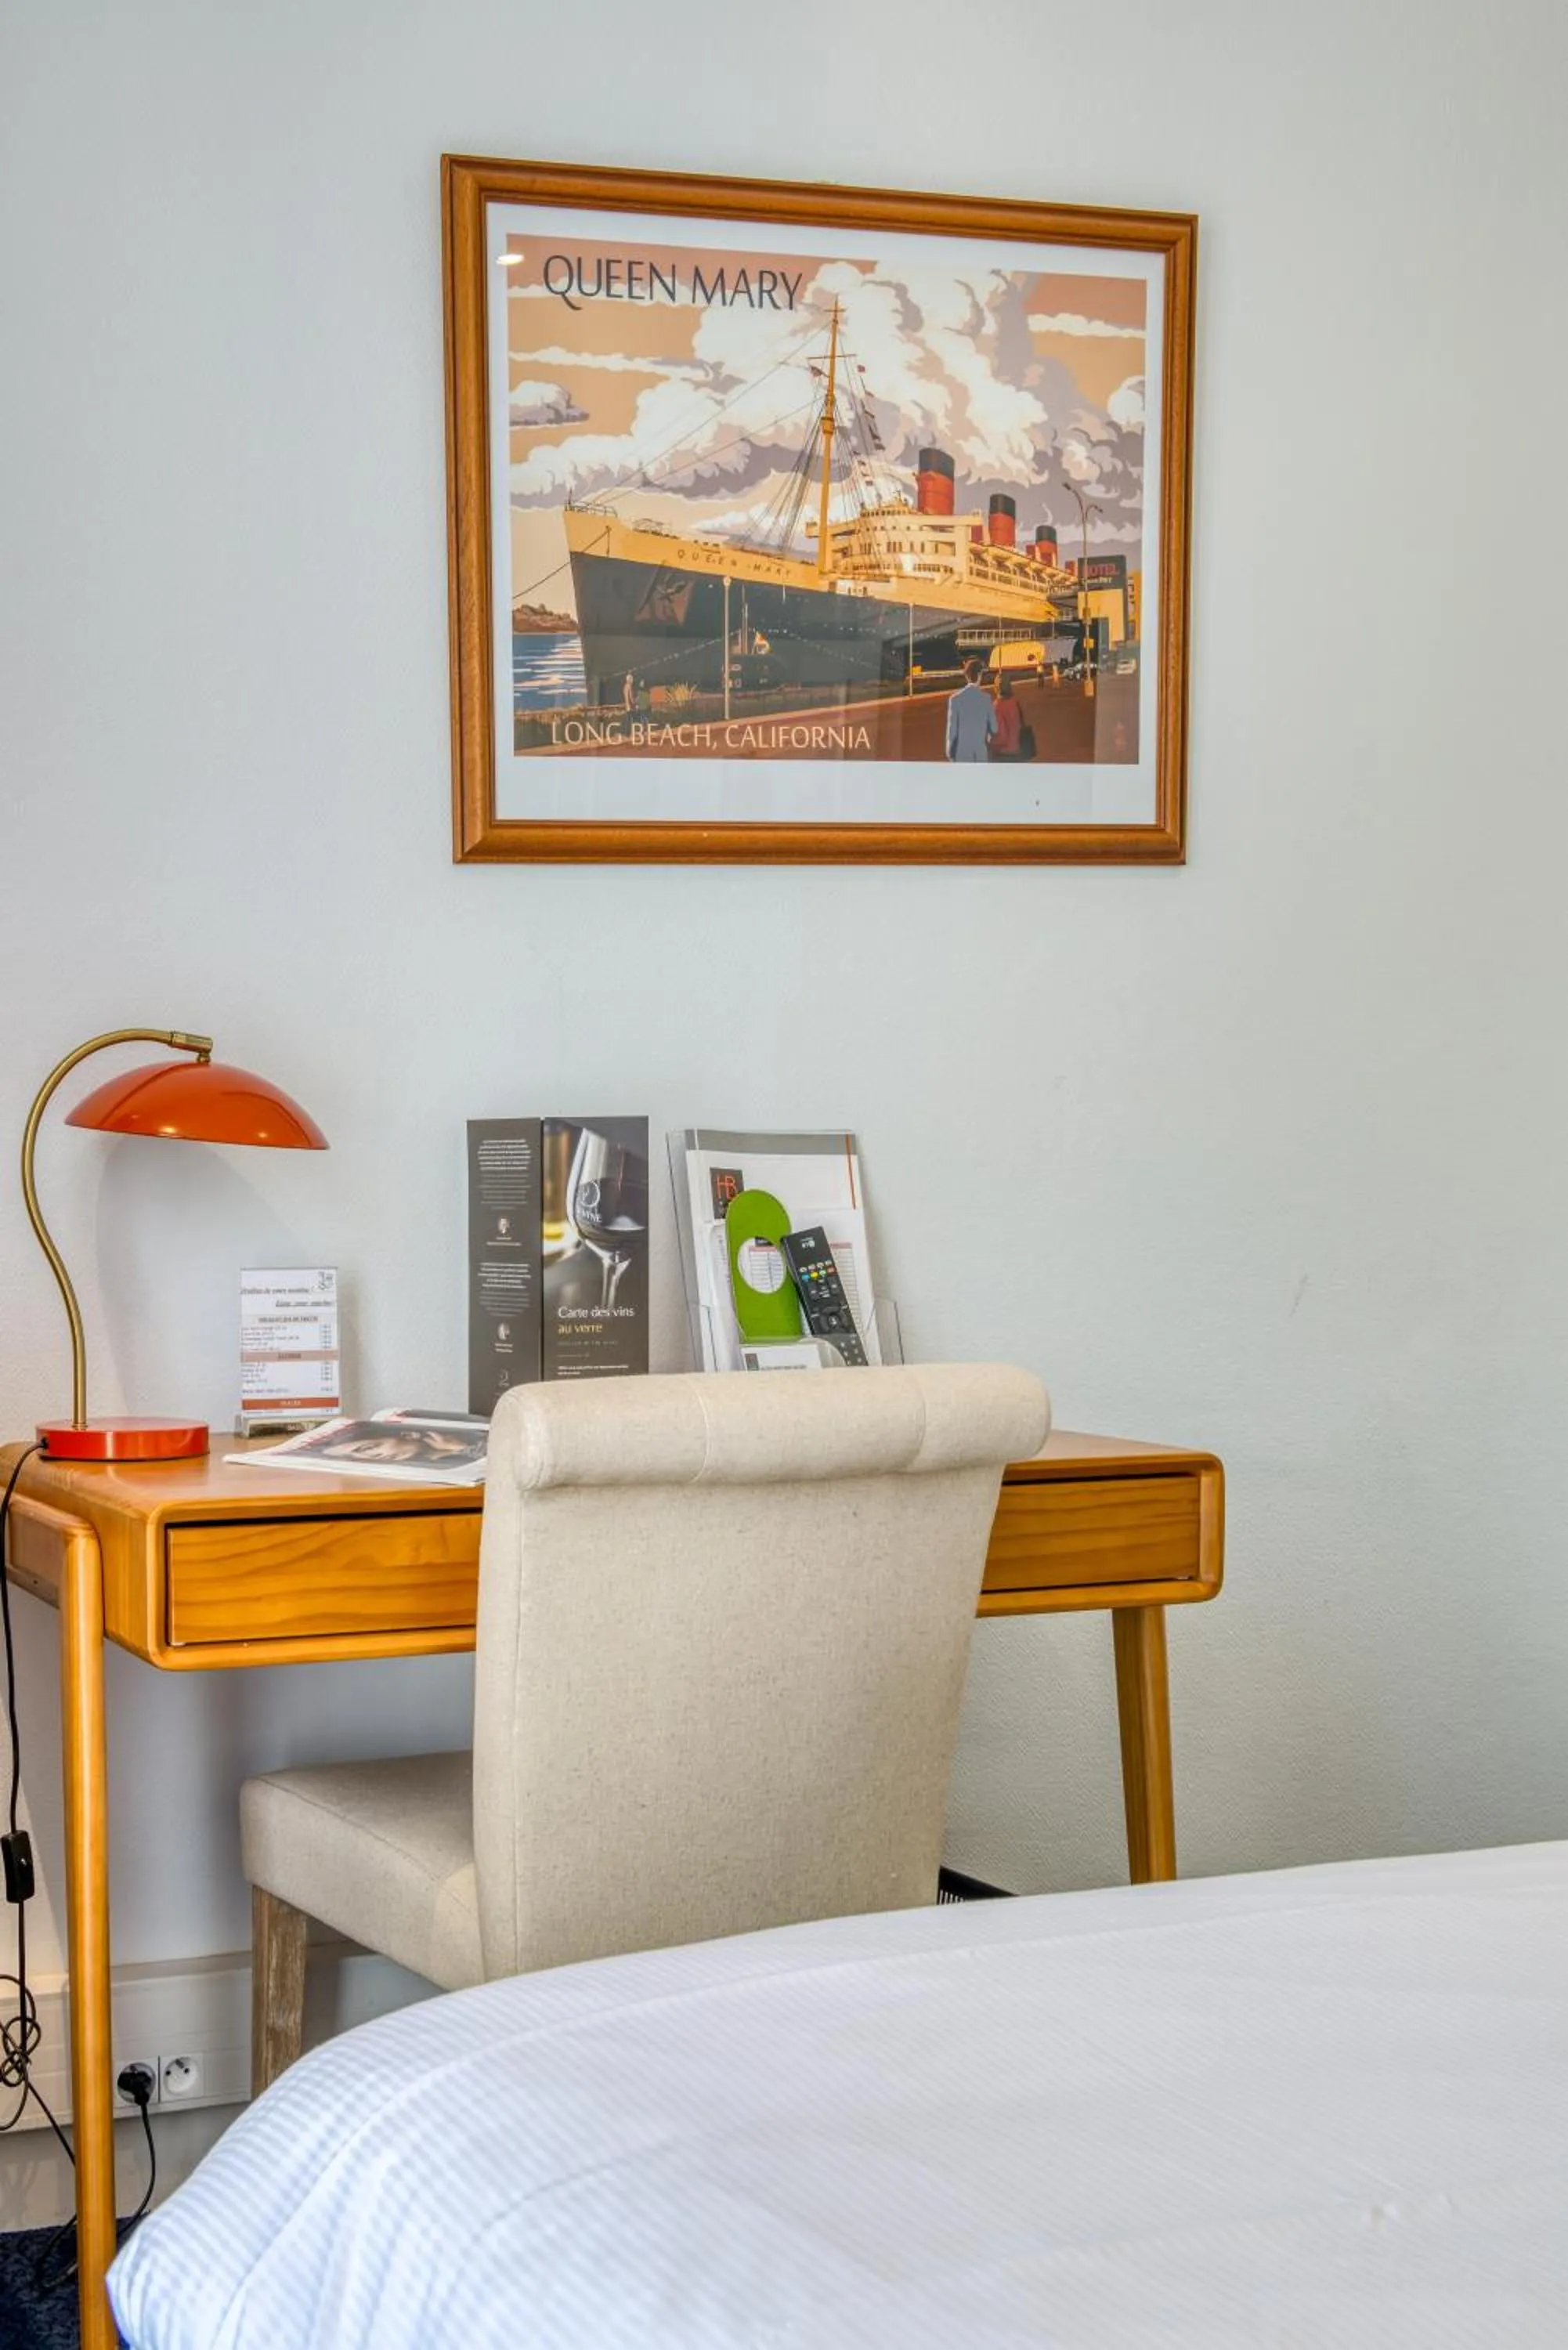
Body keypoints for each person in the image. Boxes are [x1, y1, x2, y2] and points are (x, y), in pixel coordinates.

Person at [945, 657, 997, 763]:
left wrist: (950, 752)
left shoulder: (955, 699)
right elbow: (994, 728)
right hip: (980, 753)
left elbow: (952, 732)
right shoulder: (986, 699)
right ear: (979, 675)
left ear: (967, 676)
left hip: (961, 754)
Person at [989, 677, 1023, 761]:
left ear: (996, 688)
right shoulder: (1014, 703)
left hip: (1003, 753)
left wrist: (990, 743)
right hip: (1017, 749)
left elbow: (1001, 736)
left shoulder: (997, 706)